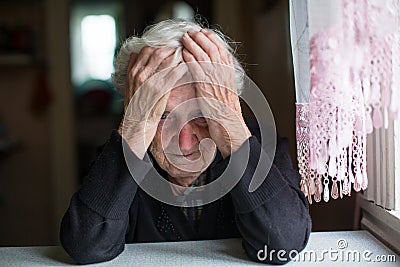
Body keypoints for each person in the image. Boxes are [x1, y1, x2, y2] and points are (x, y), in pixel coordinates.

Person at [60, 19, 311, 265]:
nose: (183, 141)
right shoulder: (122, 157)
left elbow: (284, 244)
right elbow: (85, 246)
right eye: (163, 115)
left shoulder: (265, 150)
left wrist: (231, 128)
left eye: (202, 116)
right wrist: (135, 129)